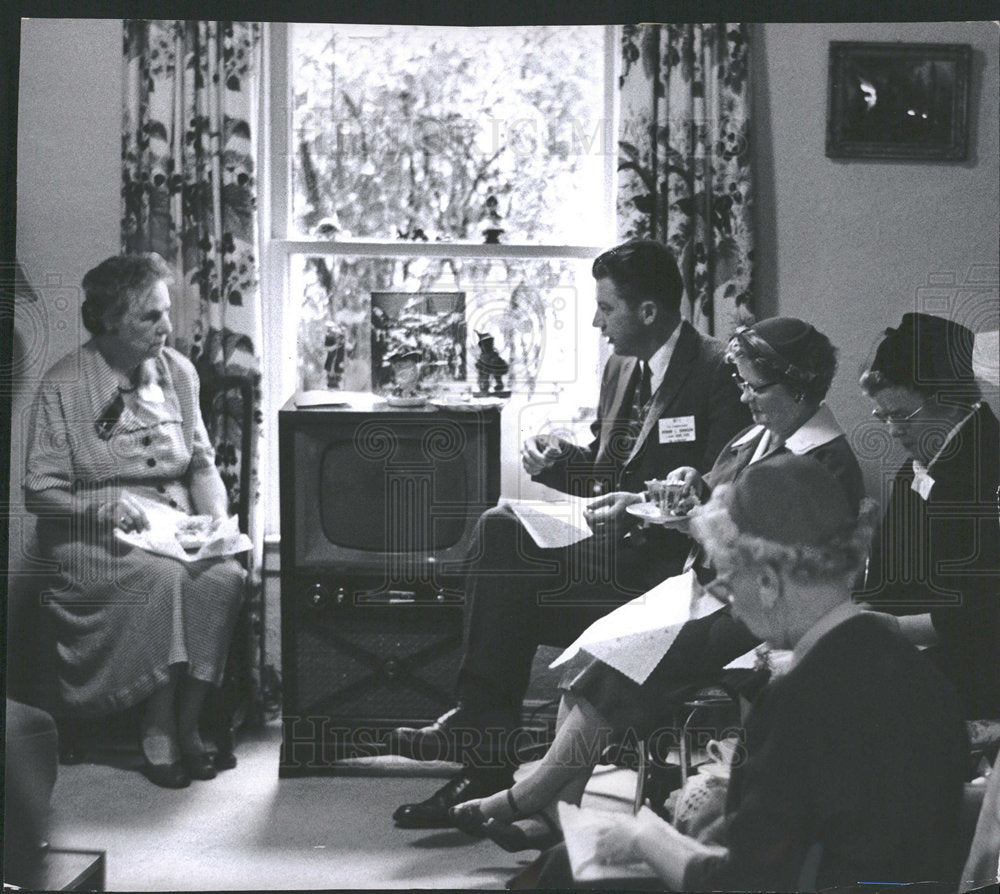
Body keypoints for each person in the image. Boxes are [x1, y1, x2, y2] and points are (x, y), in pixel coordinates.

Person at [448, 317, 866, 850]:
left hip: (758, 611)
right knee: (593, 652)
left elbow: (772, 556)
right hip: (704, 587)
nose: (743, 395)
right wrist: (673, 494)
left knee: (621, 662)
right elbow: (715, 504)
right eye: (739, 381)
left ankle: (530, 797)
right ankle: (559, 810)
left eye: (754, 386)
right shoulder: (755, 436)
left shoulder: (825, 461)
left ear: (801, 386)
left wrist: (695, 517)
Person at [390, 239, 751, 827]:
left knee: (508, 592)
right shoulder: (618, 371)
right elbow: (609, 474)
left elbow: (720, 492)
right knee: (500, 532)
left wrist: (650, 501)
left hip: (666, 579)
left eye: (606, 309)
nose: (596, 322)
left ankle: (476, 748)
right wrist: (559, 462)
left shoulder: (716, 371)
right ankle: (480, 753)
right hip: (610, 557)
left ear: (649, 312)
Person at [517, 455, 969, 891]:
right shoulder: (915, 669)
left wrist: (643, 836)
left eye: (728, 578)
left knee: (565, 870)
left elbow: (742, 882)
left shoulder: (796, 699)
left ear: (769, 582)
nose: (727, 597)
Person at [23, 253, 246, 789]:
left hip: (171, 525)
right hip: (88, 533)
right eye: (151, 317)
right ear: (107, 321)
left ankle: (187, 724)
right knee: (160, 579)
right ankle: (158, 728)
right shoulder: (63, 386)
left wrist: (214, 524)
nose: (167, 327)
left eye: (166, 313)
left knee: (225, 577)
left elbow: (201, 464)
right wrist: (94, 510)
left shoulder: (181, 374)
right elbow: (38, 491)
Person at [857, 311, 1000, 720]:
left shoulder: (990, 467)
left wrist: (899, 629)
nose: (892, 430)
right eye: (881, 416)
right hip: (914, 657)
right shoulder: (916, 467)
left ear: (950, 400)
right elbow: (886, 573)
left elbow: (989, 610)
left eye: (901, 415)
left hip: (977, 671)